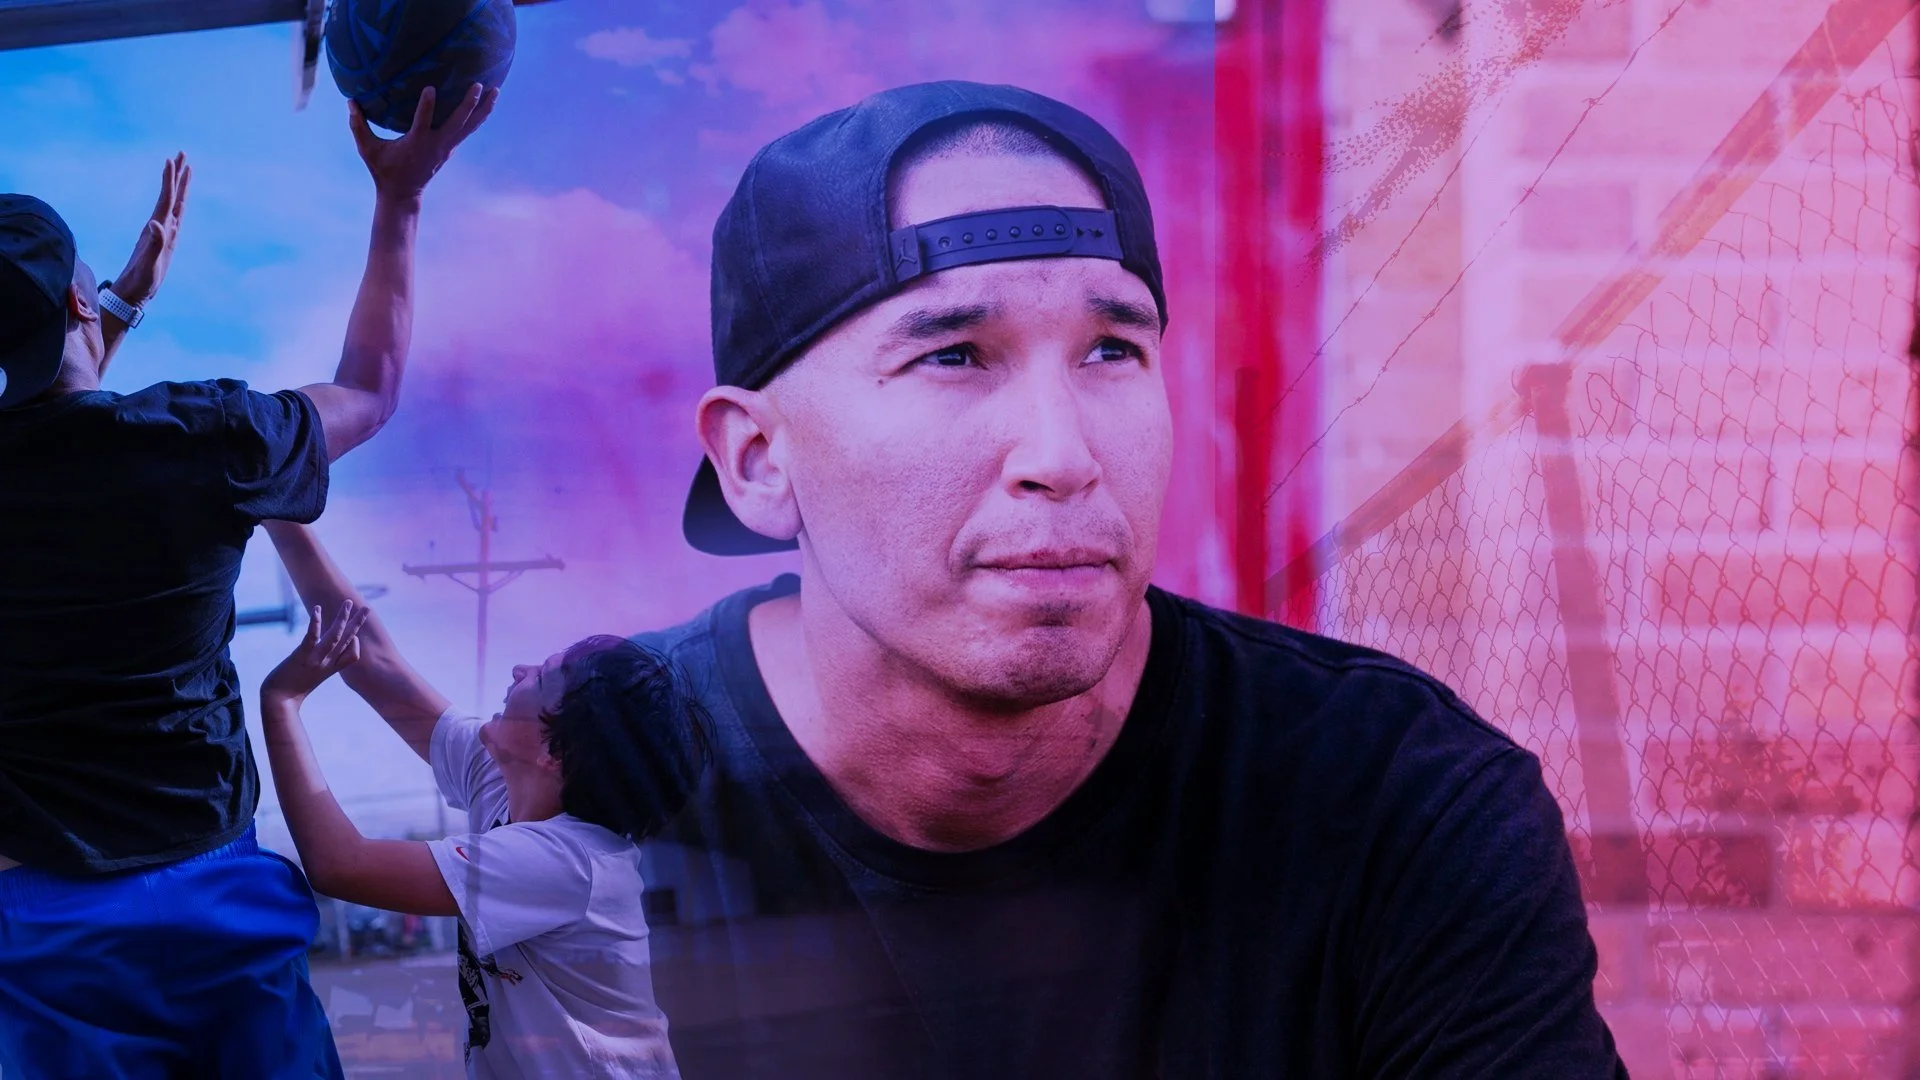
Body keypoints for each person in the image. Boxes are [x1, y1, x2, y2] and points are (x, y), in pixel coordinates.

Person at [600, 80, 1633, 1078]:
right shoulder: (590, 799)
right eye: (954, 356)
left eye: (1110, 351)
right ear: (758, 461)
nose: (1063, 454)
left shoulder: (1396, 805)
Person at [0, 85, 494, 1079]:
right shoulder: (207, 438)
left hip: (43, 926)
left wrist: (108, 315)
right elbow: (368, 388)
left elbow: (47, 436)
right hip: (215, 899)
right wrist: (400, 199)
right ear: (78, 302)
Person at [258, 519, 705, 1078]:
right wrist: (284, 514)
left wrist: (280, 703)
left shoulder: (567, 861)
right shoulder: (504, 784)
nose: (519, 669)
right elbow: (372, 662)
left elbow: (339, 864)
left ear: (554, 749)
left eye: (541, 677)